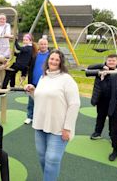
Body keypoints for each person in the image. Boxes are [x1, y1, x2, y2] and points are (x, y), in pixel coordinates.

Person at [25, 49, 80, 181]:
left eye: (57, 60)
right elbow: (39, 99)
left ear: (61, 62)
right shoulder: (43, 77)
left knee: (52, 159)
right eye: (52, 59)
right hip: (40, 124)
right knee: (43, 157)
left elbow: (74, 104)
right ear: (47, 60)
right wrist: (32, 91)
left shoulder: (67, 79)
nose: (54, 61)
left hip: (59, 127)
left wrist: (68, 127)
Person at [88, 54, 117, 140]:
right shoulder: (101, 69)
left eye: (113, 61)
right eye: (109, 60)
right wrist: (102, 65)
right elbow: (89, 67)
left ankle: (112, 136)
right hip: (102, 99)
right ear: (106, 61)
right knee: (100, 116)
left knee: (113, 119)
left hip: (114, 100)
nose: (111, 62)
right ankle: (97, 132)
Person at [24, 37, 50, 124]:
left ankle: (42, 118)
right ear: (39, 45)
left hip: (46, 83)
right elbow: (29, 67)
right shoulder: (34, 55)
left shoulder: (50, 56)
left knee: (44, 101)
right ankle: (30, 116)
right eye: (41, 44)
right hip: (34, 82)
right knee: (31, 100)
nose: (43, 46)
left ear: (47, 45)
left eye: (45, 44)